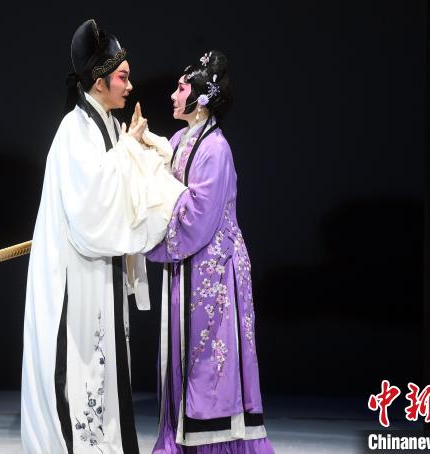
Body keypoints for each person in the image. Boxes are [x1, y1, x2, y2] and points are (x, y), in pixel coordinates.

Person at [20, 19, 186, 454]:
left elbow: (120, 182)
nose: (130, 86)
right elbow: (93, 206)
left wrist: (138, 148)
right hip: (76, 274)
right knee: (81, 368)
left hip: (100, 269)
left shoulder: (110, 127)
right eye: (122, 77)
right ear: (99, 81)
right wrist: (130, 151)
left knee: (107, 366)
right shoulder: (73, 131)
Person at [146, 50, 275, 453]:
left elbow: (197, 214)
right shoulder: (181, 140)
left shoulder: (216, 149)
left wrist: (154, 222)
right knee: (186, 356)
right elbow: (162, 181)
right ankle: (181, 440)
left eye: (181, 89)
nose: (173, 96)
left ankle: (216, 445)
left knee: (212, 360)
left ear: (201, 99)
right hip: (190, 265)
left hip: (216, 270)